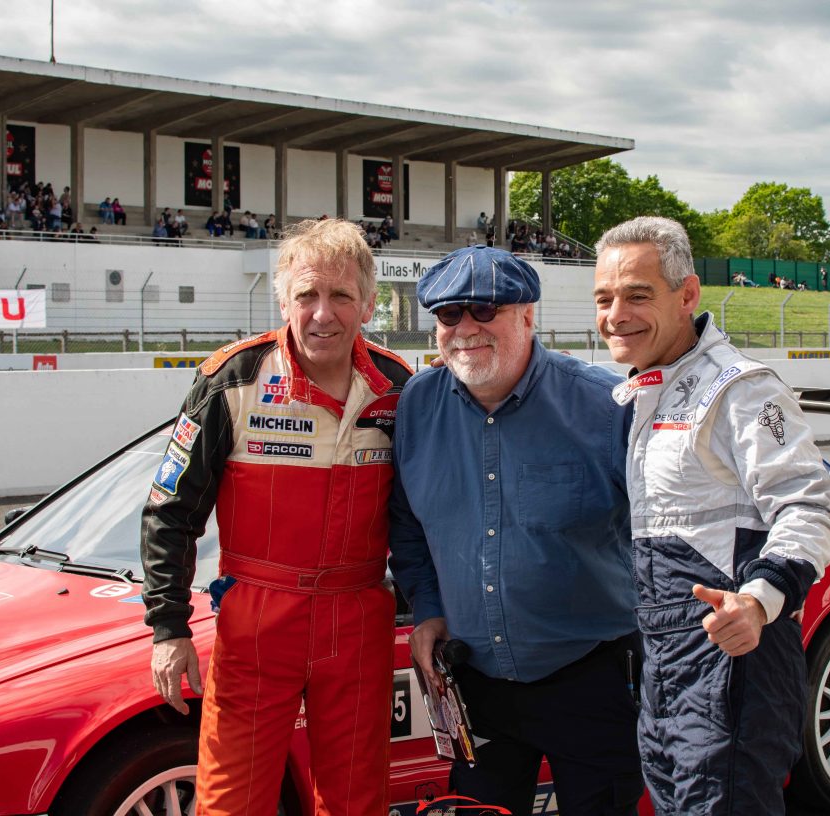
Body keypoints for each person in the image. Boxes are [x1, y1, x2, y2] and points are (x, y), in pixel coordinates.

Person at [141, 218, 411, 815]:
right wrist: (168, 626)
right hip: (257, 617)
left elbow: (421, 518)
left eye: (341, 295)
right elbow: (170, 511)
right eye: (307, 295)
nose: (323, 313)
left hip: (359, 614)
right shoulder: (232, 378)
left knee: (356, 801)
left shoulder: (399, 388)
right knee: (232, 800)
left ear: (368, 304)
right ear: (283, 299)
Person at [592, 216, 830, 816]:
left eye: (638, 295)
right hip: (665, 665)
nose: (616, 314)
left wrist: (758, 601)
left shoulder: (743, 389)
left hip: (733, 659)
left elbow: (812, 507)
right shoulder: (644, 390)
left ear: (688, 295)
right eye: (605, 298)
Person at [389, 245, 642, 816]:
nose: (465, 328)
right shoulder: (417, 406)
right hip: (476, 685)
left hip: (592, 680)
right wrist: (428, 607)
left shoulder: (607, 408)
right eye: (449, 314)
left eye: (484, 310)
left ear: (529, 315)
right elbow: (406, 525)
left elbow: (664, 539)